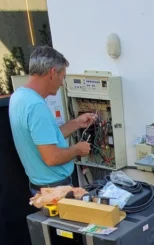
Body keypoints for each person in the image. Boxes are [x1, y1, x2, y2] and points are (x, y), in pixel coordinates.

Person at [9, 46, 97, 195]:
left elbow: (45, 139)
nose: (62, 83)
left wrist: (76, 123)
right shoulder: (36, 107)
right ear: (52, 73)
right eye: (62, 77)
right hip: (55, 189)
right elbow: (52, 157)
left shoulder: (19, 97)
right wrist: (77, 149)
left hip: (41, 186)